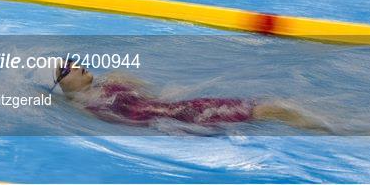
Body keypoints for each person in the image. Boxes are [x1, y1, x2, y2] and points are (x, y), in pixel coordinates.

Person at [51, 59, 330, 132]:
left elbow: (150, 96)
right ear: (63, 85)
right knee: (270, 109)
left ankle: (329, 125)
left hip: (180, 111)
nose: (75, 66)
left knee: (269, 109)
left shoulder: (111, 82)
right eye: (66, 69)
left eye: (73, 61)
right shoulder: (81, 105)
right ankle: (332, 128)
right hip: (182, 118)